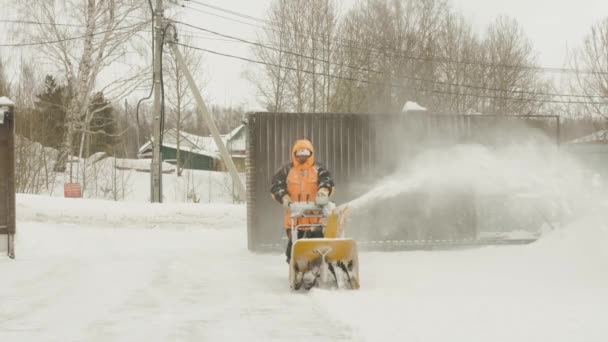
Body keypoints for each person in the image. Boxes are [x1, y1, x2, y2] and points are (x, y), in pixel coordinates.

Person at [270, 139, 335, 263]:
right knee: (294, 250)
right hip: (295, 219)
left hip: (316, 219)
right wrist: (284, 198)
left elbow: (327, 181)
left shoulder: (319, 168)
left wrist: (323, 191)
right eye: (299, 152)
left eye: (305, 152)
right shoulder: (286, 170)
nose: (302, 156)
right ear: (294, 153)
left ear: (311, 153)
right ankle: (297, 270)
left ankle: (319, 269)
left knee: (318, 249)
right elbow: (276, 187)